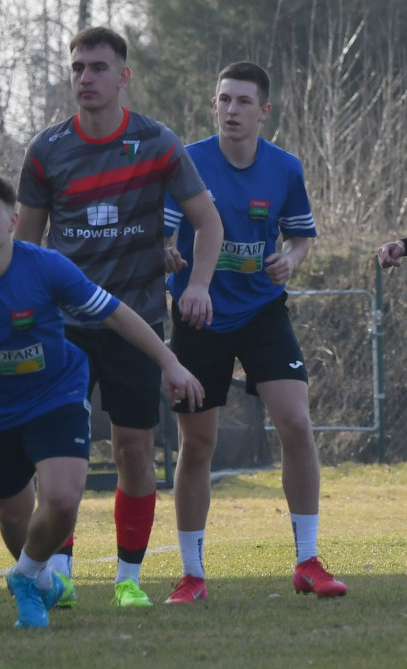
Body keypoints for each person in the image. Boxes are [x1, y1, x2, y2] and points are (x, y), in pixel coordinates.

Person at [0, 171, 204, 628]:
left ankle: (24, 578)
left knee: (62, 501)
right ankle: (40, 581)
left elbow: (117, 315)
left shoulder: (45, 267)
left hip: (55, 393)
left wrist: (170, 362)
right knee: (17, 522)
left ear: (13, 221)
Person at [14, 25, 224, 607]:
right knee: (62, 455)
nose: (86, 77)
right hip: (63, 330)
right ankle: (61, 574)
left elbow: (208, 221)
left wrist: (198, 283)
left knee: (133, 448)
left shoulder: (157, 142)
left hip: (135, 324)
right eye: (78, 67)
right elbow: (24, 248)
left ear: (124, 76)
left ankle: (129, 579)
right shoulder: (46, 150)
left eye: (98, 67)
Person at [162, 61, 347, 603]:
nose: (231, 110)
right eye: (224, 100)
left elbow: (300, 238)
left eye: (243, 101)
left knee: (295, 421)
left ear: (264, 111)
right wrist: (166, 251)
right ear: (213, 106)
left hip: (265, 312)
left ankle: (308, 560)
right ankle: (192, 574)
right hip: (200, 316)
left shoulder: (285, 169)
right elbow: (166, 230)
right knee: (198, 444)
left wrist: (290, 258)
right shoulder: (187, 162)